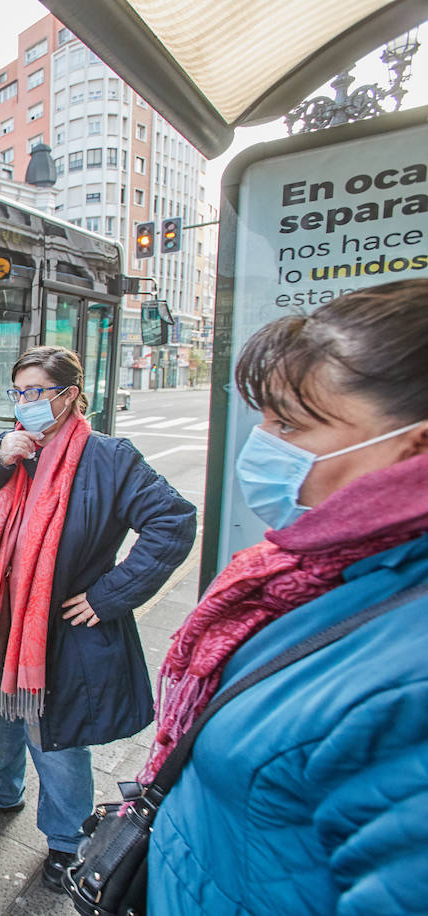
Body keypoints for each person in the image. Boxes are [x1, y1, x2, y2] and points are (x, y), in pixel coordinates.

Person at [146, 280, 428, 915]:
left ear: (417, 446)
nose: (265, 445)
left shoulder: (409, 682)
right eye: (266, 420)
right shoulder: (312, 574)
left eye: (291, 425)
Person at [0, 345, 195, 891]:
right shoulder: (10, 449)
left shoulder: (108, 458)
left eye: (37, 392)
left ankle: (67, 841)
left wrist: (109, 596)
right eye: (18, 392)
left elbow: (173, 522)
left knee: (52, 738)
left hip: (55, 631)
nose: (25, 402)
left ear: (70, 395)